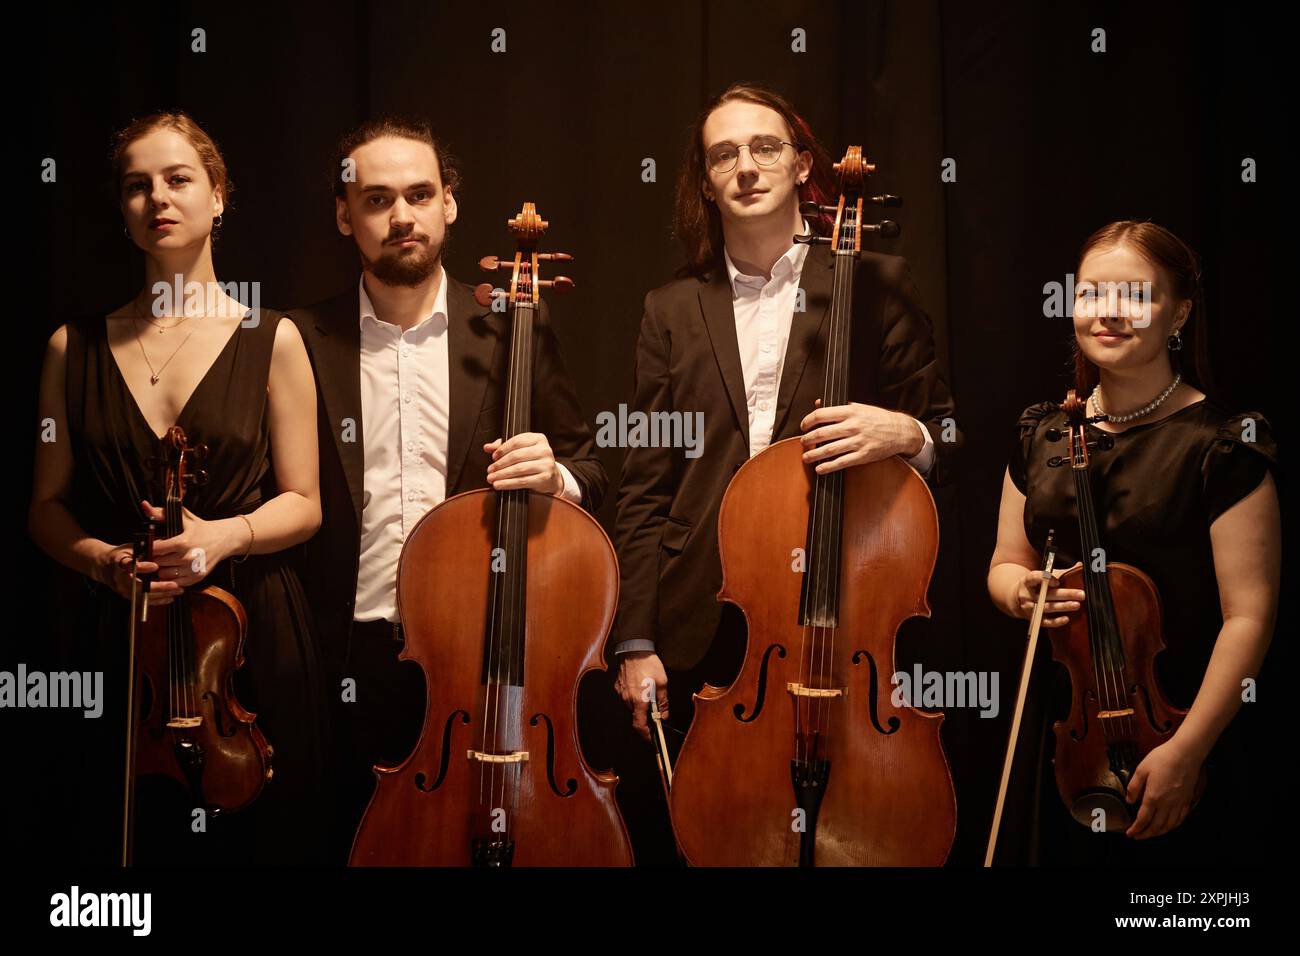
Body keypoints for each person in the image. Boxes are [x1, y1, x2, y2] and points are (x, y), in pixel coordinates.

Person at [610, 83, 958, 861]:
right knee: (720, 836)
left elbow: (950, 433)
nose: (745, 167)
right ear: (704, 181)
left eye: (765, 147)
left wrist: (905, 432)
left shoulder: (876, 282)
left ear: (803, 164)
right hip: (709, 612)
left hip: (847, 598)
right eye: (723, 154)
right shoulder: (669, 309)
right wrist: (633, 639)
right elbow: (643, 484)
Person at [289, 117, 607, 863]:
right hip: (345, 657)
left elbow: (593, 465)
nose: (401, 215)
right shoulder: (300, 338)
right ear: (344, 215)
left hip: (479, 655)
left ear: (449, 205)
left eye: (420, 194)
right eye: (375, 199)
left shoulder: (510, 324)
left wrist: (554, 473)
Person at [29, 111, 327, 864]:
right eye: (136, 186)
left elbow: (305, 503)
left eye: (177, 178)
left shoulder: (274, 338)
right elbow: (45, 509)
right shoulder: (74, 348)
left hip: (248, 634)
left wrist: (221, 537)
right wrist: (104, 561)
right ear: (123, 212)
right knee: (120, 845)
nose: (156, 198)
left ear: (218, 195)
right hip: (121, 641)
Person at [986, 220, 1279, 865]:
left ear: (1179, 313)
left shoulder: (1221, 447)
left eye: (1135, 295)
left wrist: (1186, 751)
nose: (1107, 312)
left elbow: (1248, 616)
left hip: (1184, 730)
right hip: (1069, 734)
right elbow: (1006, 564)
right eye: (1090, 294)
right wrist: (1022, 593)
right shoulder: (1043, 434)